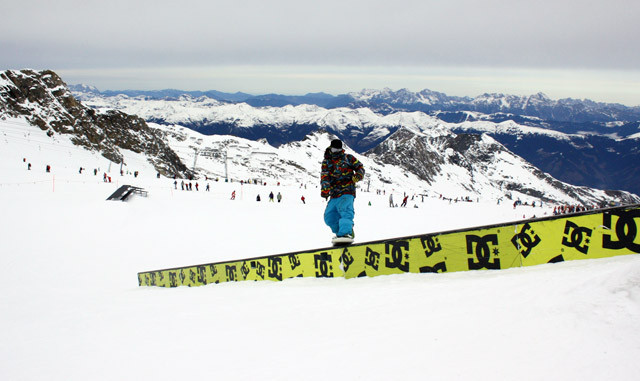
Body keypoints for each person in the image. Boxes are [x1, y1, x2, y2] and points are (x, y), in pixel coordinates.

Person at [321, 139, 365, 241]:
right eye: (334, 149)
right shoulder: (326, 161)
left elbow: (360, 168)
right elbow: (324, 176)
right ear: (330, 148)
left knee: (345, 210)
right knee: (329, 217)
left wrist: (358, 175)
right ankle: (341, 234)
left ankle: (346, 233)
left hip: (347, 190)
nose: (336, 151)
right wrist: (325, 190)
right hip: (334, 193)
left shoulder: (348, 158)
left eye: (338, 149)